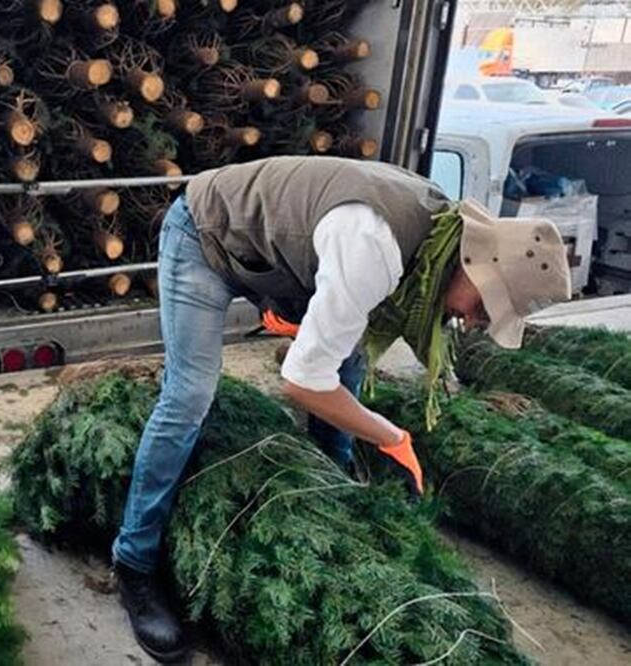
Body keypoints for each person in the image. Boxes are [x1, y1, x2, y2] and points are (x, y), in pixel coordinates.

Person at [111, 156, 573, 662]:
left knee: (348, 358)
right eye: (485, 308)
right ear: (475, 266)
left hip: (281, 254)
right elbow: (301, 383)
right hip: (207, 235)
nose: (476, 322)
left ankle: (330, 480)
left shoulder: (437, 236)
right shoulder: (374, 245)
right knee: (190, 396)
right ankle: (134, 563)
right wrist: (388, 435)